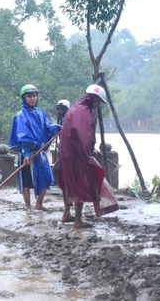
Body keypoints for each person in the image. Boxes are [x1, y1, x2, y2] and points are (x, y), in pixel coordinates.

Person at [58, 85, 108, 228]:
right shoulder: (84, 113)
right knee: (80, 183)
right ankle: (78, 220)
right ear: (94, 99)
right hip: (78, 155)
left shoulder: (74, 109)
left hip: (67, 153)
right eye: (98, 102)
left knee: (68, 182)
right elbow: (84, 136)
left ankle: (66, 213)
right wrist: (89, 153)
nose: (98, 105)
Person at [9, 84, 61, 211]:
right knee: (26, 181)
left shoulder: (40, 112)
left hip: (40, 152)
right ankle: (28, 206)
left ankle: (39, 203)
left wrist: (58, 128)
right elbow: (23, 136)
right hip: (27, 153)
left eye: (34, 96)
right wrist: (26, 153)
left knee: (46, 178)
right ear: (24, 98)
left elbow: (48, 126)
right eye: (29, 96)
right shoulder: (20, 115)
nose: (33, 99)